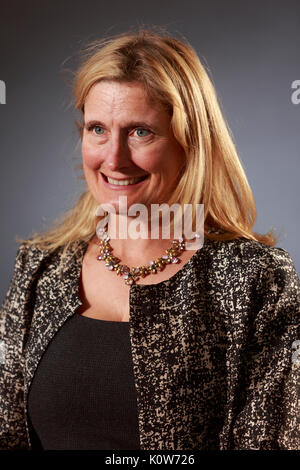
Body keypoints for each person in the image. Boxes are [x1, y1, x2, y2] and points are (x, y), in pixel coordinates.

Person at [0, 28, 299, 451]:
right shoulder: (40, 268)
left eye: (141, 132)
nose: (114, 158)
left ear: (190, 141)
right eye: (97, 129)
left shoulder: (255, 279)